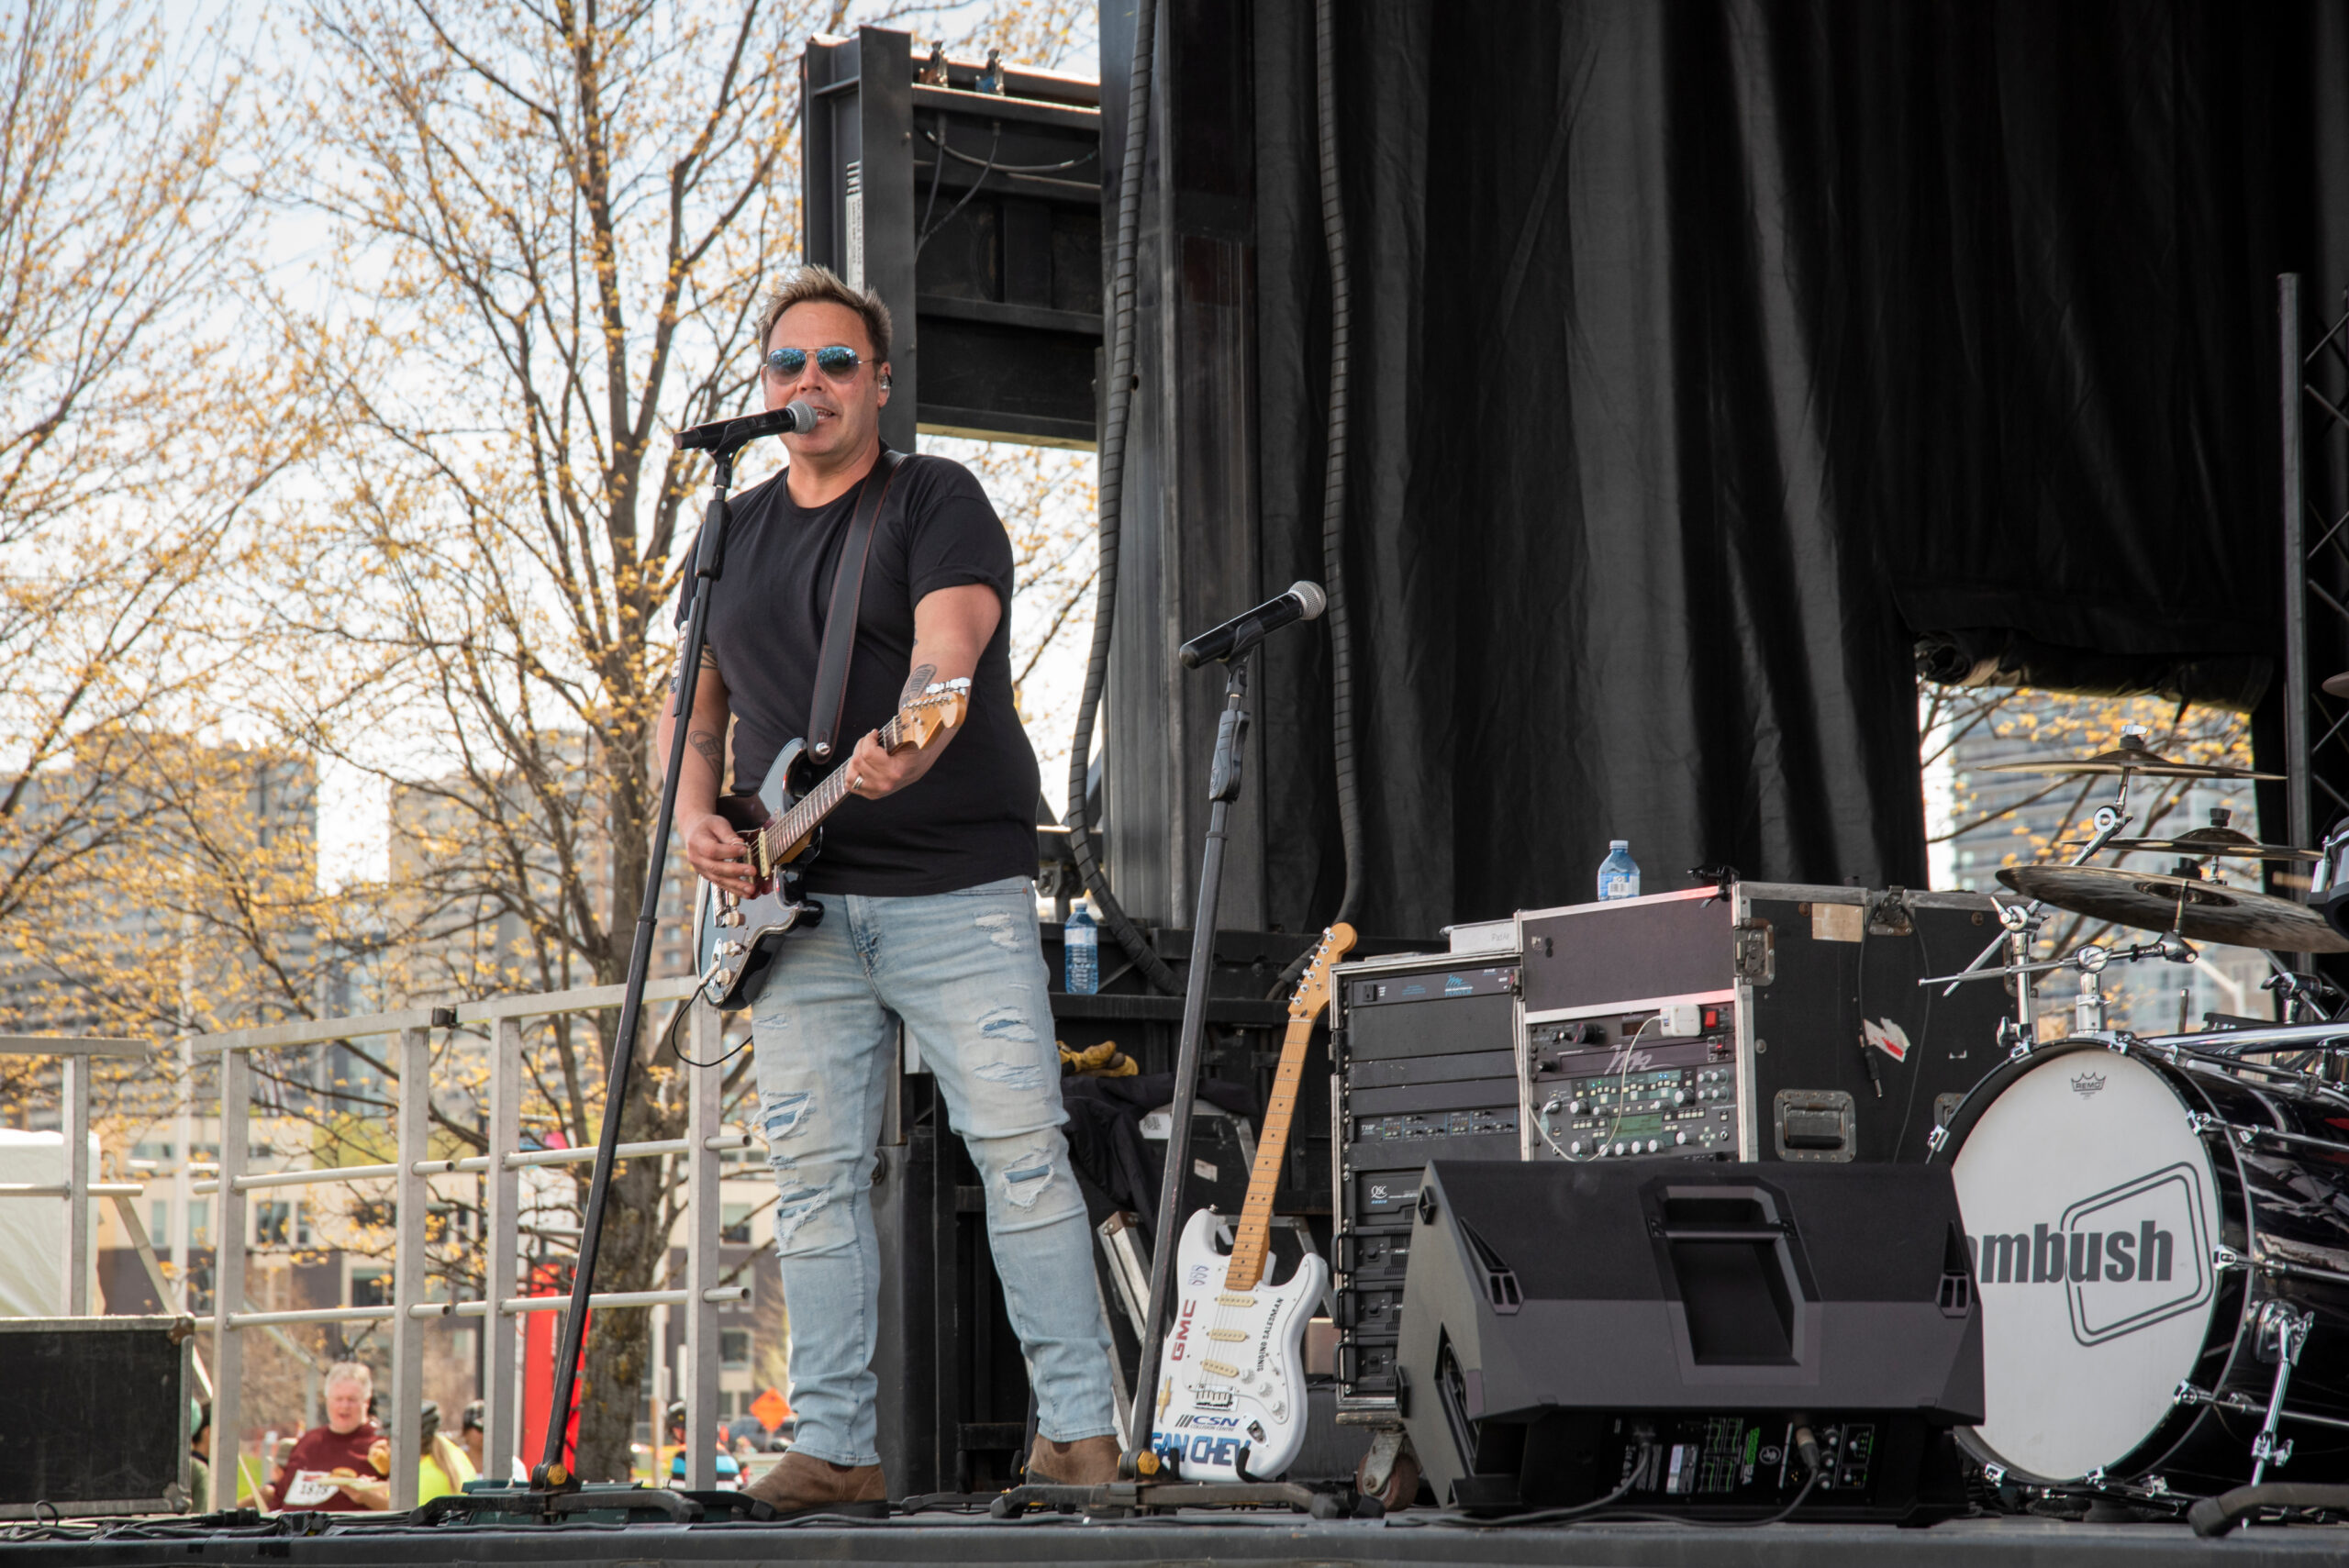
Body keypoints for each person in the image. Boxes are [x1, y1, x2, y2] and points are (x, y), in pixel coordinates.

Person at [661, 264, 1119, 1517]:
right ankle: (836, 1446)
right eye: (787, 366)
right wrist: (698, 814)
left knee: (1022, 1156)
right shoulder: (730, 531)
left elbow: (946, 658)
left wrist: (909, 739)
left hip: (952, 889)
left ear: (881, 382)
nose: (809, 382)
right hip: (792, 908)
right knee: (811, 1182)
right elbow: (690, 713)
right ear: (764, 389)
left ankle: (1080, 1436)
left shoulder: (935, 498)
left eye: (836, 363)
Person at [265, 1362, 386, 1512]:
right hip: (292, 1532)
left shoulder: (381, 1446)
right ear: (327, 1400)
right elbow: (279, 1501)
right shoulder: (308, 1442)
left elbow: (403, 1510)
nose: (344, 1406)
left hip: (348, 1533)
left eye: (352, 1399)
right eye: (338, 1398)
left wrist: (367, 1496)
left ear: (366, 1401)